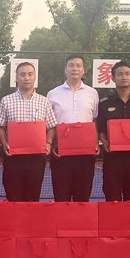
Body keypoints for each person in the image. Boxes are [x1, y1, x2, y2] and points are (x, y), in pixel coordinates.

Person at [0, 62, 56, 202]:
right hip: (13, 158)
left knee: (32, 198)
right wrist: (4, 143)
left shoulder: (44, 101)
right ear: (16, 77)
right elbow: (0, 127)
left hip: (36, 158)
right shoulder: (6, 101)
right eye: (22, 74)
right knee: (13, 198)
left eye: (30, 74)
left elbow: (51, 127)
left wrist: (48, 143)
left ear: (35, 77)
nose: (26, 78)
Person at [47, 54, 99, 201]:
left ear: (83, 70)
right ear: (65, 69)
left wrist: (95, 144)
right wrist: (52, 144)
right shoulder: (52, 94)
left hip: (85, 155)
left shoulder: (92, 93)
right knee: (61, 197)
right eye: (71, 65)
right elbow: (50, 124)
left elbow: (94, 121)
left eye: (78, 65)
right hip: (60, 154)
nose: (74, 68)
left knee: (82, 198)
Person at [97, 61, 130, 201]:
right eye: (119, 74)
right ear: (113, 78)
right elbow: (100, 127)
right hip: (113, 159)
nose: (124, 77)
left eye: (127, 74)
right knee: (112, 198)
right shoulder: (104, 103)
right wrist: (104, 140)